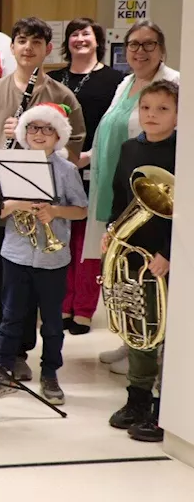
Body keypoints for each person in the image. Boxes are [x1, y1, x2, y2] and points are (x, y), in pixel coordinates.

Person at [0, 17, 86, 384]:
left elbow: (74, 149)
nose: (28, 47)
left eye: (36, 41)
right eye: (21, 40)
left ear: (48, 48)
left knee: (24, 289)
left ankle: (16, 353)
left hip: (33, 213)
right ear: (11, 47)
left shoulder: (61, 95)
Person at [0, 103, 87, 405]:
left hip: (53, 258)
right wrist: (14, 205)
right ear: (25, 133)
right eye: (33, 128)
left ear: (59, 135)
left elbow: (81, 211)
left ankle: (50, 373)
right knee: (11, 315)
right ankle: (3, 367)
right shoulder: (12, 165)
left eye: (47, 128)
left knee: (52, 321)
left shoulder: (66, 170)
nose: (39, 134)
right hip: (16, 252)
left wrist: (53, 212)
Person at [88, 21, 179, 375]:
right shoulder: (125, 82)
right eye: (133, 44)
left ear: (162, 49)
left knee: (155, 290)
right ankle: (132, 343)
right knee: (129, 281)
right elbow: (109, 129)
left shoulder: (174, 82)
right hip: (125, 188)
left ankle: (152, 357)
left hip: (159, 212)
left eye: (149, 44)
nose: (140, 50)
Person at [105, 80, 177, 443]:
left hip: (167, 255)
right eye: (146, 107)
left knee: (168, 332)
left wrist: (169, 252)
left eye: (163, 109)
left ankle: (168, 409)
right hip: (134, 249)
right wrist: (111, 229)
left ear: (179, 114)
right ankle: (138, 399)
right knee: (138, 325)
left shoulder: (183, 149)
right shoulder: (129, 148)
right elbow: (121, 196)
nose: (152, 115)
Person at [47, 18, 125, 335]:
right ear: (67, 42)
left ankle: (83, 310)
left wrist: (87, 157)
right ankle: (62, 304)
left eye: (86, 34)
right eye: (74, 34)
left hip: (95, 166)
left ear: (98, 40)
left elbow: (114, 127)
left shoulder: (115, 81)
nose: (80, 39)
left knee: (87, 241)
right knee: (60, 234)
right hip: (57, 168)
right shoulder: (53, 78)